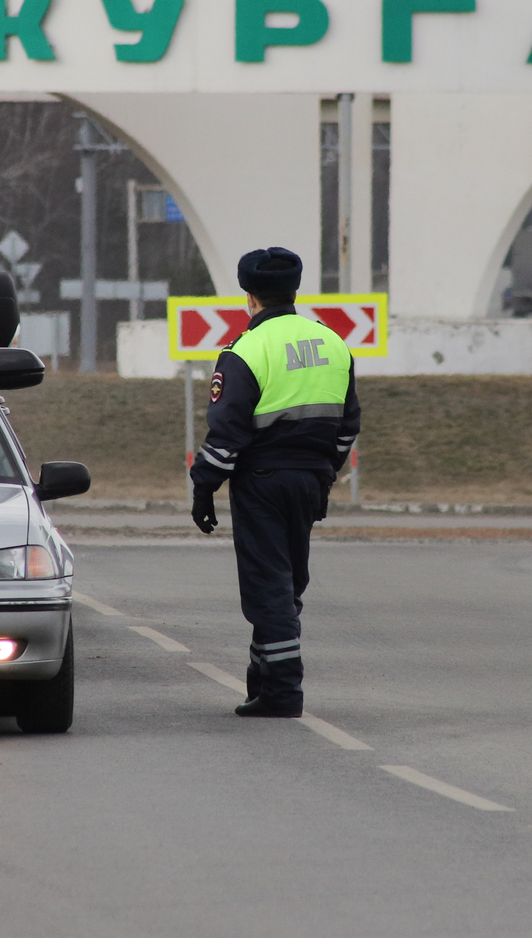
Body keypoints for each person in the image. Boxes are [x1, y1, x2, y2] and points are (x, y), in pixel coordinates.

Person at [190, 247, 360, 718]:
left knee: (268, 585)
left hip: (261, 482)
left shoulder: (246, 349)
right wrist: (325, 474)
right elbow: (348, 425)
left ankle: (283, 691)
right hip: (309, 480)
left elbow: (227, 434)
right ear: (294, 290)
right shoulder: (332, 342)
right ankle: (261, 681)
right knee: (289, 584)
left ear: (250, 297)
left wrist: (204, 488)